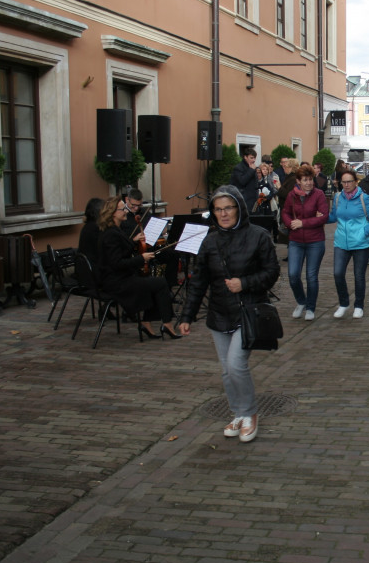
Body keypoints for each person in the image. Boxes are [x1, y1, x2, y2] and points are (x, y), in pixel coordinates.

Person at [178, 185, 279, 444]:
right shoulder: (209, 241)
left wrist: (244, 283)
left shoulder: (258, 236)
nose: (223, 214)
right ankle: (237, 413)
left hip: (248, 311)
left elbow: (271, 272)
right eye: (218, 209)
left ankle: (249, 413)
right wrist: (186, 316)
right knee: (226, 370)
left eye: (228, 208)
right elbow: (198, 281)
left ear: (239, 208)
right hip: (219, 313)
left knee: (236, 365)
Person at [96, 196, 181, 340]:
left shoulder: (114, 230)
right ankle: (166, 323)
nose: (126, 211)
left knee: (153, 281)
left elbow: (120, 251)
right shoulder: (110, 235)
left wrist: (133, 242)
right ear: (113, 213)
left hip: (120, 278)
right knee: (160, 283)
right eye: (123, 209)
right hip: (116, 282)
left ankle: (148, 323)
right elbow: (117, 263)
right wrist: (142, 258)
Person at [327, 169, 369, 319]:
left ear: (355, 182)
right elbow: (334, 216)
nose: (347, 184)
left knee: (358, 275)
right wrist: (322, 217)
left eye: (350, 181)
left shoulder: (364, 198)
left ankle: (358, 305)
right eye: (344, 182)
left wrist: (363, 232)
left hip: (361, 243)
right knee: (338, 273)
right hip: (341, 242)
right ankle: (344, 303)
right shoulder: (338, 197)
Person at [281, 165, 328, 321]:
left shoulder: (319, 195)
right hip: (296, 241)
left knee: (311, 276)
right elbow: (285, 212)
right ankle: (301, 301)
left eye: (310, 179)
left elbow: (323, 217)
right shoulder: (291, 195)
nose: (308, 183)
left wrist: (303, 223)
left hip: (315, 240)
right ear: (298, 181)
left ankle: (310, 307)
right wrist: (290, 223)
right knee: (293, 274)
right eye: (305, 180)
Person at [77, 197, 104, 265]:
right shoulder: (95, 228)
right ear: (100, 212)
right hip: (95, 269)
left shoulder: (88, 226)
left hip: (87, 268)